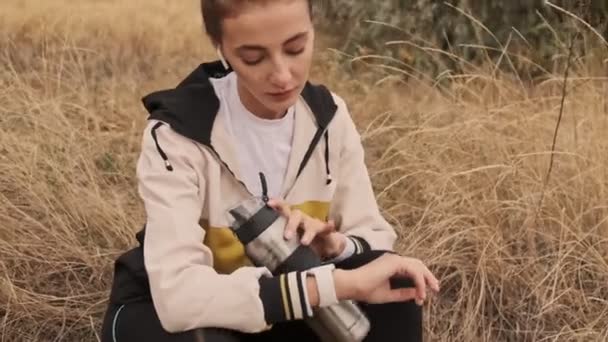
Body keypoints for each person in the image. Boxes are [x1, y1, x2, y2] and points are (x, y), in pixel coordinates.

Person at [100, 0, 440, 341]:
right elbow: (179, 299)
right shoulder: (177, 132)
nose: (281, 75)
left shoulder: (328, 116)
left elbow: (376, 239)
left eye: (296, 48)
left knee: (394, 282)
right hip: (175, 318)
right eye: (253, 57)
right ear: (221, 47)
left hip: (286, 303)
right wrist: (336, 284)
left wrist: (335, 247)